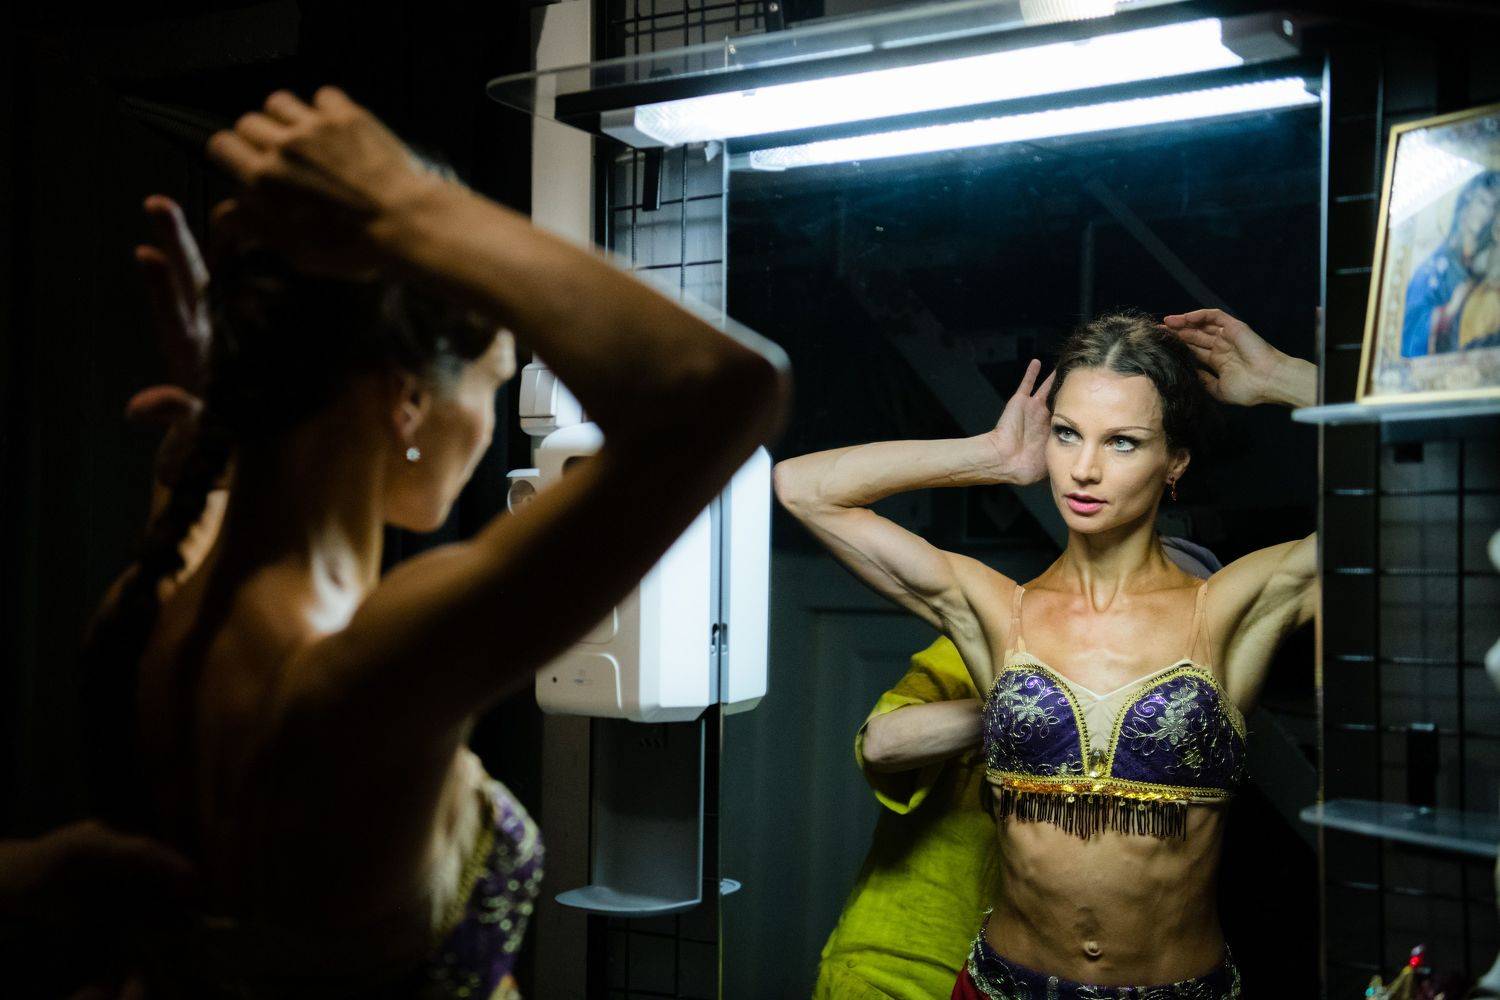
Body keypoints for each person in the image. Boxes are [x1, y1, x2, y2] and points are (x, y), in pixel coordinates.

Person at [80, 87, 789, 998]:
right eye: (492, 382)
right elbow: (724, 391)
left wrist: (237, 391)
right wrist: (406, 203)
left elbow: (214, 481)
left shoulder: (153, 604)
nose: (490, 428)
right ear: (410, 400)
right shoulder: (359, 667)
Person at [775, 308, 1315, 998]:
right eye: (1067, 434)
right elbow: (802, 489)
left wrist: (1286, 380)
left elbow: (1401, 493)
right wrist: (992, 457)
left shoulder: (1230, 609)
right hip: (1001, 986)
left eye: (1123, 443)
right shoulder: (998, 610)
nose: (1084, 470)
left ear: (1175, 461)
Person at [814, 542, 1219, 1000]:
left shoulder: (1177, 731)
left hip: (1016, 978)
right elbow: (882, 744)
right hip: (897, 968)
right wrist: (1033, 710)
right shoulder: (998, 641)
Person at [1400, 171, 1500, 357]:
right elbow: (1408, 333)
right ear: (1465, 205)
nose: (1488, 214)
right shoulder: (1433, 272)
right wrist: (1449, 311)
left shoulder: (1483, 268)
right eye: (1482, 202)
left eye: (1495, 207)